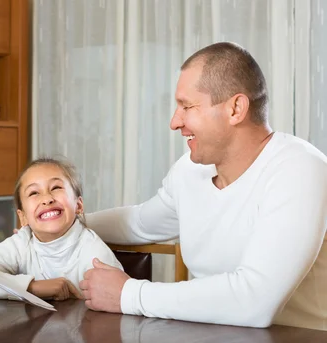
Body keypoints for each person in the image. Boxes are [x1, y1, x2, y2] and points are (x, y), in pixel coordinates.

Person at [78, 42, 327, 330]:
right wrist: (67, 224)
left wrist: (128, 294)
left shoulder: (301, 168)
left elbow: (255, 301)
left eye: (187, 106)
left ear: (235, 108)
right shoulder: (189, 171)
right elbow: (138, 222)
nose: (174, 122)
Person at [0, 157, 123, 301]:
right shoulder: (22, 243)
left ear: (78, 205)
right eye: (34, 193)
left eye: (56, 187)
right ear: (23, 217)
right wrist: (31, 287)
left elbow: (117, 308)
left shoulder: (95, 254)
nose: (47, 199)